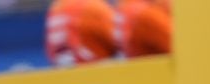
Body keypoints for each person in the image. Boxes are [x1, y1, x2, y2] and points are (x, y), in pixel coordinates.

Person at [44, 0, 172, 67]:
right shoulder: (93, 9)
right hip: (98, 82)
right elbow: (119, 44)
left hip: (68, 82)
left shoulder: (56, 9)